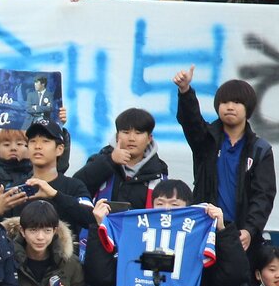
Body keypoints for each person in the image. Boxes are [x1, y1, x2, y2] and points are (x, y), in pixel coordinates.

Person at [174, 69, 275, 252]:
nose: (230, 107)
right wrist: (185, 91)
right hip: (204, 231)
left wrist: (250, 230)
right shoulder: (206, 141)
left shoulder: (260, 149)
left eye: (237, 102)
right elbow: (191, 121)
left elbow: (264, 195)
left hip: (239, 235)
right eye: (224, 102)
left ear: (248, 108)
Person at [70, 108, 168, 212]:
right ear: (117, 136)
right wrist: (110, 161)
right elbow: (76, 186)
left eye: (138, 133)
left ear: (149, 138)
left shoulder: (158, 172)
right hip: (100, 226)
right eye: (126, 132)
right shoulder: (100, 159)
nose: (131, 138)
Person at [7, 199, 86, 286]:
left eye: (47, 230)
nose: (40, 237)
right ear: (22, 231)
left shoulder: (70, 262)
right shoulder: (6, 259)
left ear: (55, 231)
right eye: (33, 230)